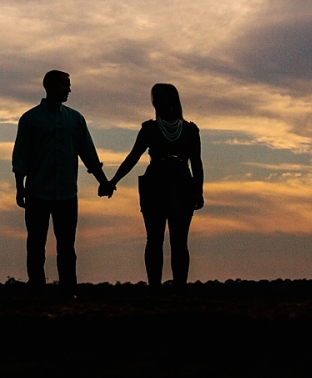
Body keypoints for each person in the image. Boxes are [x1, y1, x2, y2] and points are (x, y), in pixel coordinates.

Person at [11, 69, 112, 293]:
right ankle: (37, 289)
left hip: (67, 193)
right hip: (38, 191)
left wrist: (102, 181)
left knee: (67, 246)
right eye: (65, 85)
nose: (69, 89)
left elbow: (88, 153)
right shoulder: (30, 119)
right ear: (51, 86)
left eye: (69, 85)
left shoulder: (75, 119)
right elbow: (21, 155)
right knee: (36, 245)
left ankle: (68, 290)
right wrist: (20, 187)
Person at [104, 83, 204, 290]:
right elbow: (133, 157)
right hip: (155, 182)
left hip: (182, 183)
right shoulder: (149, 129)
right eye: (154, 97)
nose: (157, 101)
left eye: (160, 96)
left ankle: (179, 288)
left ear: (172, 100)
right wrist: (113, 181)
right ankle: (154, 287)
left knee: (179, 241)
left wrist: (198, 191)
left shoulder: (190, 130)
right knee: (154, 239)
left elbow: (197, 163)